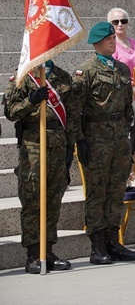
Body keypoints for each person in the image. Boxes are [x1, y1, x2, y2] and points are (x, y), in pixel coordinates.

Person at [69, 22, 135, 264]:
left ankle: (112, 240)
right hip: (96, 139)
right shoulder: (85, 71)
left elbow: (127, 107)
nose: (113, 40)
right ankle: (97, 245)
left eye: (113, 37)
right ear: (96, 43)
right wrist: (80, 141)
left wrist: (128, 139)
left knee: (116, 191)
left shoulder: (121, 69)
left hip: (119, 139)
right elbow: (75, 110)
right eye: (108, 38)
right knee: (97, 192)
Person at [4, 61, 74, 273]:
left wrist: (71, 144)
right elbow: (11, 111)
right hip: (33, 145)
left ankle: (48, 250)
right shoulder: (23, 75)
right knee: (33, 199)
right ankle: (34, 254)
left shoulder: (62, 76)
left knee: (54, 199)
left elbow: (70, 113)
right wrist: (32, 101)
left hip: (58, 145)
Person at [108, 8, 135, 189]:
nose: (119, 25)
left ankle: (132, 170)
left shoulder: (134, 43)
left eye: (123, 21)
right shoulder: (111, 45)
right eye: (115, 22)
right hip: (124, 94)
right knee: (128, 134)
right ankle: (128, 173)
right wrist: (131, 90)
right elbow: (114, 72)